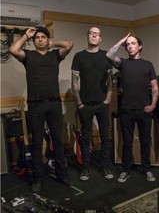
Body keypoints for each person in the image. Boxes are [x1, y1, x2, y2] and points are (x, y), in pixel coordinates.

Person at [9, 26, 73, 193]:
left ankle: (62, 174)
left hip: (54, 104)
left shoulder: (55, 56)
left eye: (43, 37)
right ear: (34, 40)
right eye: (37, 37)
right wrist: (25, 36)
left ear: (47, 39)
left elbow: (69, 44)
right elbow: (13, 49)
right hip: (35, 105)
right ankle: (38, 178)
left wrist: (53, 42)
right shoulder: (28, 56)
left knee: (57, 141)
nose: (40, 39)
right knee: (37, 143)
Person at [106, 33, 159, 183]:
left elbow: (155, 87)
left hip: (144, 109)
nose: (130, 46)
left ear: (140, 46)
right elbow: (109, 54)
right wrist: (122, 40)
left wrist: (154, 104)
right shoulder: (122, 63)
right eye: (128, 44)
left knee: (144, 140)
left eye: (133, 43)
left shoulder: (148, 65)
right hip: (127, 109)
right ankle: (126, 170)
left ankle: (147, 169)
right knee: (127, 141)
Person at [71, 26, 114, 181]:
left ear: (100, 38)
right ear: (87, 36)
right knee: (85, 137)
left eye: (97, 34)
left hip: (103, 103)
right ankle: (86, 168)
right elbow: (74, 81)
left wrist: (108, 98)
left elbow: (110, 79)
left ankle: (105, 166)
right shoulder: (79, 56)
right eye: (91, 33)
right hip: (85, 105)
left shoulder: (106, 56)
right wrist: (79, 103)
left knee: (105, 136)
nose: (94, 36)